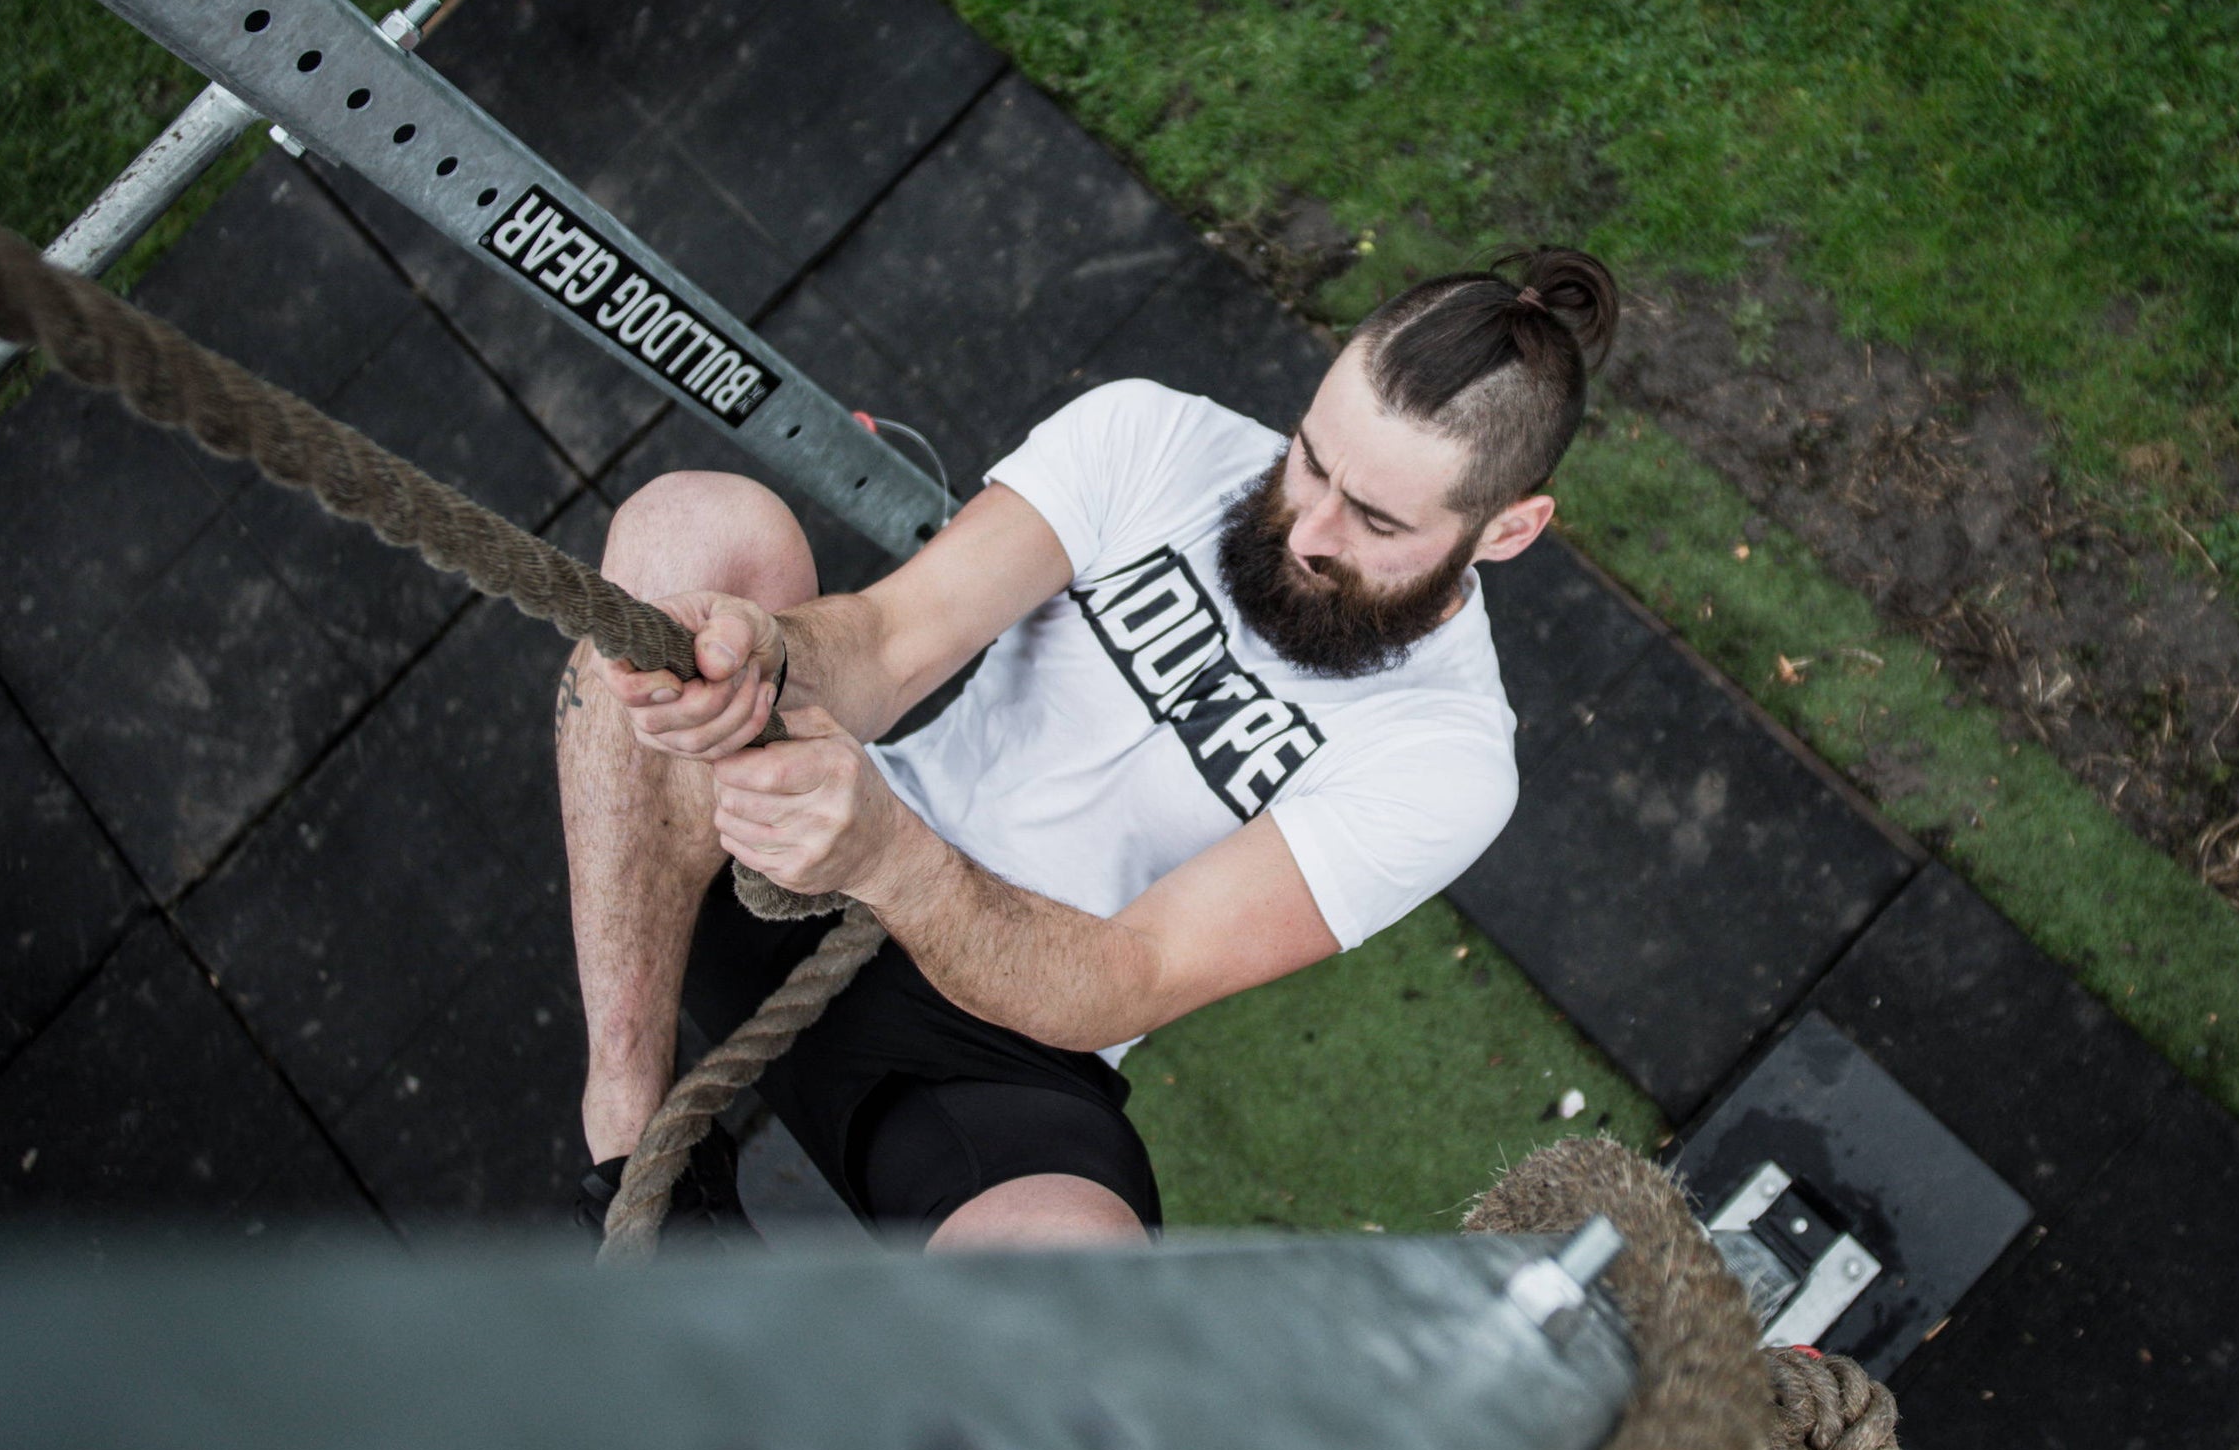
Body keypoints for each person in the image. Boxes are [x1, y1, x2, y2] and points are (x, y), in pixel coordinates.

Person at [557, 246, 1619, 1249]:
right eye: (1309, 459)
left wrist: (892, 859)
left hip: (1003, 1032)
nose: (1309, 528)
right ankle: (627, 1138)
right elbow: (887, 644)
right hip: (792, 863)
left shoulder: (1449, 757)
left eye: (1377, 522)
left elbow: (1132, 973)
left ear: (1508, 531)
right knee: (689, 526)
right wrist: (765, 656)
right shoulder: (1150, 436)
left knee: (1071, 1271)